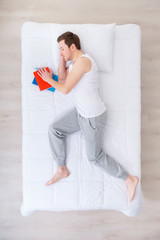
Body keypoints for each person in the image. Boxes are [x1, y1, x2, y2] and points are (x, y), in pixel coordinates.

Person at [37, 31, 139, 202]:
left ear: (73, 46)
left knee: (94, 157)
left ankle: (129, 178)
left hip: (93, 117)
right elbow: (62, 79)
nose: (60, 52)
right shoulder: (74, 63)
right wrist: (62, 57)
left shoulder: (84, 62)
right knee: (55, 130)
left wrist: (47, 79)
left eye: (62, 48)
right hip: (81, 112)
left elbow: (65, 89)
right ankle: (62, 169)